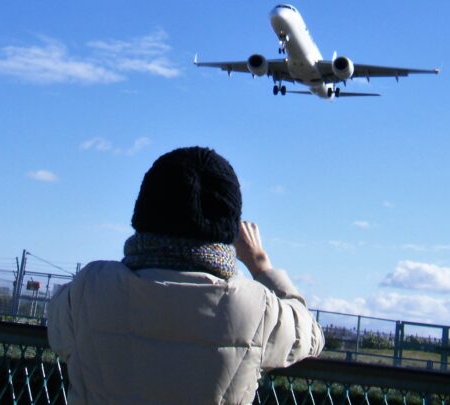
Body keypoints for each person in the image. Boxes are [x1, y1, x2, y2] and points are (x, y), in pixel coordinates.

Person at [47, 146, 324, 404]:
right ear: (229, 227)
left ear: (143, 211)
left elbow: (57, 329)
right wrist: (261, 265)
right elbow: (311, 335)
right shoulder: (258, 308)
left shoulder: (89, 287)